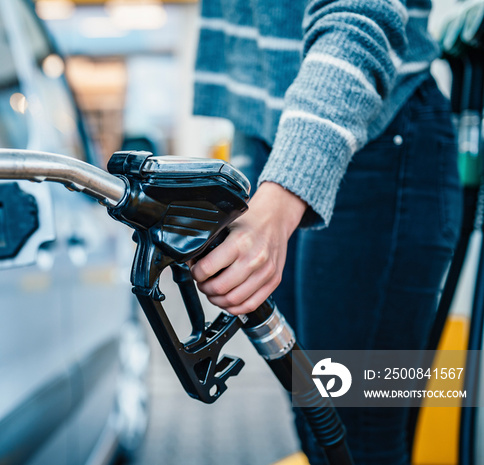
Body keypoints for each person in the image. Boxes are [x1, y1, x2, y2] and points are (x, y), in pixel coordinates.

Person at [189, 1, 463, 464]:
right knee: (314, 419)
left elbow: (360, 15)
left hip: (375, 140)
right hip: (274, 145)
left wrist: (283, 191)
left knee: (355, 432)